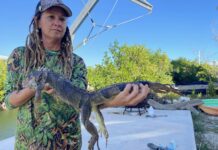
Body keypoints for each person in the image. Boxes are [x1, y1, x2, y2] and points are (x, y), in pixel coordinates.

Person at [4, 0, 150, 149]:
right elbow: (8, 102)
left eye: (62, 19)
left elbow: (82, 102)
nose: (57, 22)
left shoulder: (77, 62)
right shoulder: (20, 55)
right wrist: (35, 87)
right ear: (38, 22)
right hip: (28, 145)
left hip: (68, 144)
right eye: (51, 16)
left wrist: (114, 101)